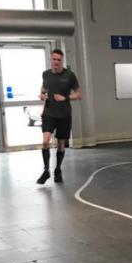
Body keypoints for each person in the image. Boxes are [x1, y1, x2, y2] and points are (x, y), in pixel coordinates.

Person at [37, 49, 81, 185]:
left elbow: (78, 94)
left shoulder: (70, 75)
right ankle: (46, 171)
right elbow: (44, 88)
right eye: (54, 59)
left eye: (59, 60)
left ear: (62, 61)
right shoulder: (46, 74)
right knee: (45, 141)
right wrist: (42, 95)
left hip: (64, 114)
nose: (56, 62)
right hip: (49, 113)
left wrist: (65, 98)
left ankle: (57, 170)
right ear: (50, 60)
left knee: (61, 145)